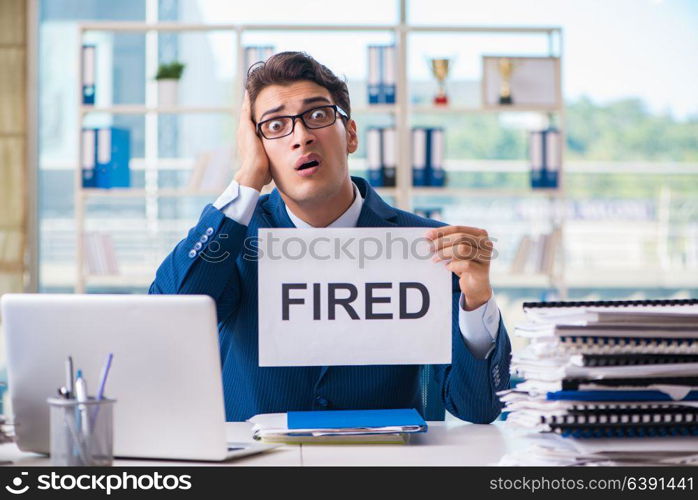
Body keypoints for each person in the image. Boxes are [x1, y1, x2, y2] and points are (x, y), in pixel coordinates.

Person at [149, 51, 511, 422]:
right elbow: (170, 320)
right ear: (257, 147)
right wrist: (247, 177)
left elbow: (478, 408)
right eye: (275, 126)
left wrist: (478, 300)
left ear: (350, 134)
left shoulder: (423, 245)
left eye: (318, 116)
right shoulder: (234, 238)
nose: (301, 137)